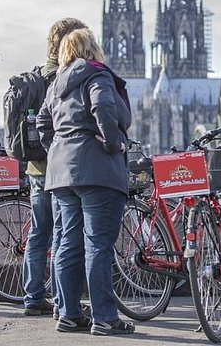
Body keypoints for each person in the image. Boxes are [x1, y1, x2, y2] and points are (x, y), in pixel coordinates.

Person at [37, 28, 135, 335]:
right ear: (92, 48)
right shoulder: (97, 74)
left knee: (68, 243)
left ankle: (68, 313)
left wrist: (58, 147)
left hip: (61, 174)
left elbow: (41, 122)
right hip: (96, 170)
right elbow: (104, 107)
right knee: (98, 245)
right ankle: (105, 318)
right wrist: (111, 142)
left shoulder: (57, 84)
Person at [22, 18, 88, 318]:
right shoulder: (62, 76)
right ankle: (63, 303)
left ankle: (33, 296)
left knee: (39, 233)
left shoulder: (37, 74)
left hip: (35, 168)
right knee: (63, 235)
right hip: (58, 168)